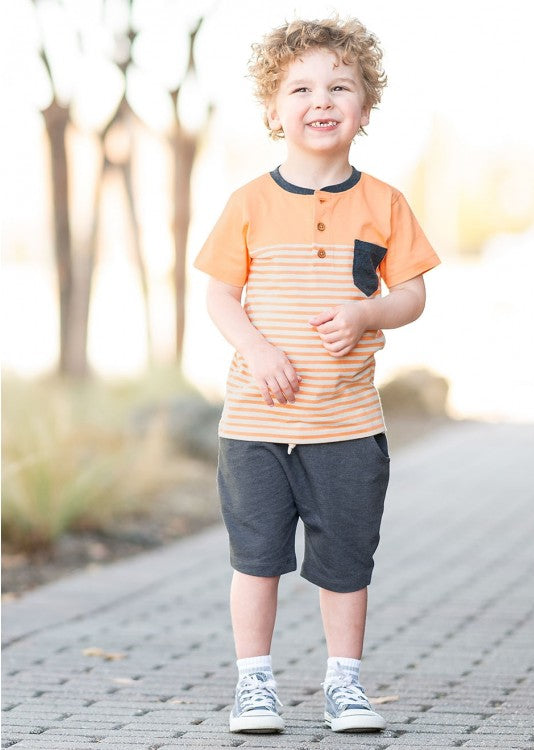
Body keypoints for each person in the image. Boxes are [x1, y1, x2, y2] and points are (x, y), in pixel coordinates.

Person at [193, 16, 440, 735]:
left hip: (346, 423)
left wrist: (369, 317)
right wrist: (261, 352)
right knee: (257, 560)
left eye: (340, 86)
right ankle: (254, 685)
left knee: (344, 562)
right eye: (300, 87)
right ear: (274, 110)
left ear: (364, 107)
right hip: (256, 422)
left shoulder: (384, 202)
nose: (320, 99)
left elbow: (413, 294)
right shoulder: (249, 203)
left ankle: (345, 684)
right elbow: (217, 293)